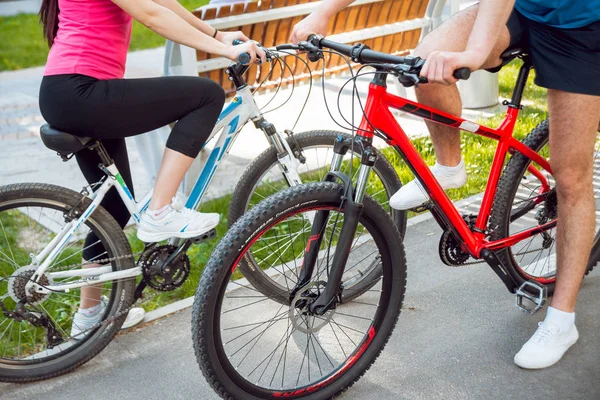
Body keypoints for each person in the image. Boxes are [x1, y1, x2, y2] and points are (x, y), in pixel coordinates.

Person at [291, 0, 600, 369]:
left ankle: (562, 320)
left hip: (583, 25)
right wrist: (325, 10)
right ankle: (449, 166)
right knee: (425, 62)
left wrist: (475, 53)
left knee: (570, 177)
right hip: (525, 8)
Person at [38, 0, 266, 338]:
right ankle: (159, 213)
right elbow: (151, 15)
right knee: (205, 95)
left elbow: (159, 1)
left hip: (70, 92)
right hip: (82, 91)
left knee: (113, 210)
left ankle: (88, 319)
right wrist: (223, 50)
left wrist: (217, 33)